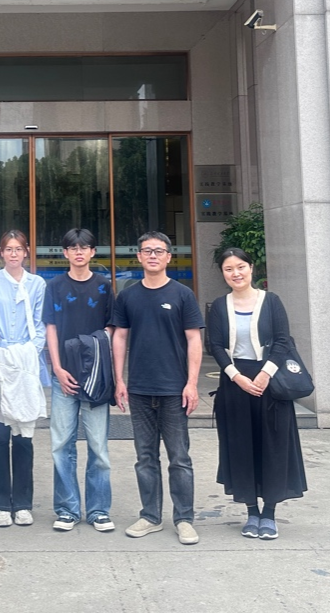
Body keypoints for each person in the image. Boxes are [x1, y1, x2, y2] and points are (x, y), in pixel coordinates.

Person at [206, 246, 307, 541]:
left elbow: (282, 340)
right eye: (228, 269)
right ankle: (251, 512)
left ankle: (269, 514)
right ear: (223, 274)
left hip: (270, 384)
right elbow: (215, 345)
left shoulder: (271, 301)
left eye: (240, 267)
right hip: (234, 384)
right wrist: (236, 377)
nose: (235, 273)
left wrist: (265, 374)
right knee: (241, 448)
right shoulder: (219, 306)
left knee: (274, 447)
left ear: (251, 268)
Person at [112, 231, 204, 545]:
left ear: (168, 257)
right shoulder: (128, 296)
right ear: (138, 256)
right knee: (145, 457)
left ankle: (184, 519)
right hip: (139, 389)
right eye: (147, 250)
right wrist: (119, 380)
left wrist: (192, 384)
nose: (153, 255)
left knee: (179, 458)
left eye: (159, 251)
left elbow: (194, 339)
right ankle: (150, 516)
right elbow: (119, 337)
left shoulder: (182, 294)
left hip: (174, 390)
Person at [44, 227, 116, 533]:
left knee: (98, 447)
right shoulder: (55, 286)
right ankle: (67, 509)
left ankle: (99, 510)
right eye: (73, 248)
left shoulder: (104, 286)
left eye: (84, 247)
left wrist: (95, 352)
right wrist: (57, 368)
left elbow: (111, 327)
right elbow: (50, 328)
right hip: (64, 377)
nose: (78, 252)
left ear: (92, 252)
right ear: (65, 253)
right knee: (62, 445)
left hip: (96, 378)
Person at [0, 230, 48, 528]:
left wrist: (29, 352)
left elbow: (42, 323)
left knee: (23, 437)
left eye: (18, 249)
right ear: (1, 253)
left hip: (27, 364)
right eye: (8, 249)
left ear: (26, 252)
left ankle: (22, 504)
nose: (14, 254)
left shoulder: (37, 284)